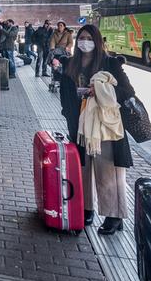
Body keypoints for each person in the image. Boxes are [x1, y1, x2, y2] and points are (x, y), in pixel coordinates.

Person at [58, 24, 135, 235]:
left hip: (105, 128)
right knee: (83, 170)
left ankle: (114, 216)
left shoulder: (110, 63)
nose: (85, 42)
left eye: (89, 38)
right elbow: (64, 92)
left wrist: (100, 90)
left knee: (108, 172)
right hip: (80, 125)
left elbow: (127, 91)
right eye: (81, 38)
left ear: (97, 40)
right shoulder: (71, 64)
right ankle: (86, 209)